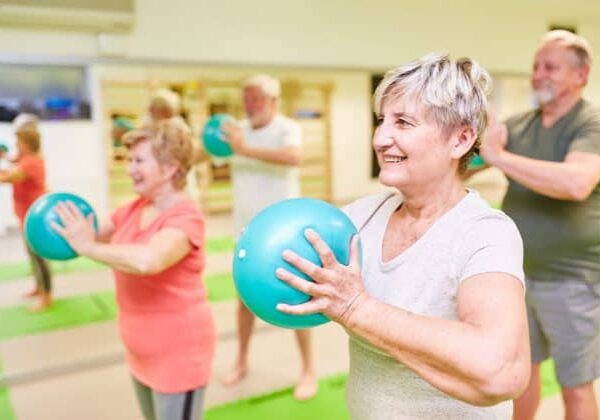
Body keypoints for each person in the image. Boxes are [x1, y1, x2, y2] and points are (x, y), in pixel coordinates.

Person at [276, 54, 531, 418]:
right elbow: (290, 268)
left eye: (403, 122)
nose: (380, 138)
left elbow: (500, 370)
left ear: (460, 139)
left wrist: (358, 309)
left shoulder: (485, 233)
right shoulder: (362, 216)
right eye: (382, 121)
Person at [52, 120, 216, 420]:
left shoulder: (186, 216)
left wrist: (89, 248)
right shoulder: (134, 208)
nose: (129, 168)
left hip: (178, 355)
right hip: (139, 352)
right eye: (129, 160)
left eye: (139, 160)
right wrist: (60, 226)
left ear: (168, 168)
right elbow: (90, 230)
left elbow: (149, 260)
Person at [479, 30, 600, 420]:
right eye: (535, 67)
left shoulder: (591, 124)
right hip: (516, 277)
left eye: (551, 67)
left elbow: (575, 183)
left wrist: (497, 156)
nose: (538, 75)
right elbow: (472, 158)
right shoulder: (517, 126)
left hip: (572, 280)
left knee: (575, 386)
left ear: (581, 75)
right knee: (521, 376)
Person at [219, 74, 318, 400]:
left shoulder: (286, 128)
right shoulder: (238, 132)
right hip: (246, 233)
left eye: (256, 99)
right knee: (243, 304)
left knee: (296, 301)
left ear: (273, 101)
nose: (249, 105)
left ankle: (308, 370)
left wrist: (245, 149)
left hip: (283, 233)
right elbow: (208, 155)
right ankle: (241, 361)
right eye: (246, 99)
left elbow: (294, 157)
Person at [0, 114, 53, 312]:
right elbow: (12, 161)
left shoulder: (31, 162)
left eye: (18, 141)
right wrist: (4, 156)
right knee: (32, 255)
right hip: (25, 214)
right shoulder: (25, 158)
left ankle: (47, 296)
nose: (16, 144)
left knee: (39, 256)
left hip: (35, 216)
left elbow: (9, 177)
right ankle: (39, 288)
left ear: (26, 143)